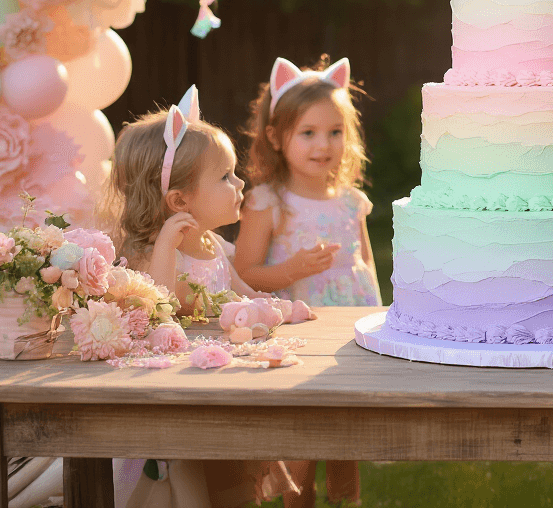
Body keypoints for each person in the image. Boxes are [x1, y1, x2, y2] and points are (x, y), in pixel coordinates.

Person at [103, 85, 307, 508]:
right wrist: (163, 249)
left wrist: (279, 309)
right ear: (180, 199)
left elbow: (244, 292)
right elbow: (156, 309)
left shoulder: (214, 246)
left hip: (222, 382)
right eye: (225, 176)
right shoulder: (150, 254)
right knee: (194, 481)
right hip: (174, 396)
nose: (239, 182)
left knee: (233, 477)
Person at [234, 57, 377, 507]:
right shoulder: (268, 202)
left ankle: (346, 498)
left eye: (335, 132)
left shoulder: (352, 202)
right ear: (277, 137)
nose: (324, 144)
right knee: (303, 427)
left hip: (346, 335)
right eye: (308, 133)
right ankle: (299, 500)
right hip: (297, 332)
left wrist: (377, 314)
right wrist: (290, 270)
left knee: (344, 426)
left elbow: (366, 263)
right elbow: (241, 273)